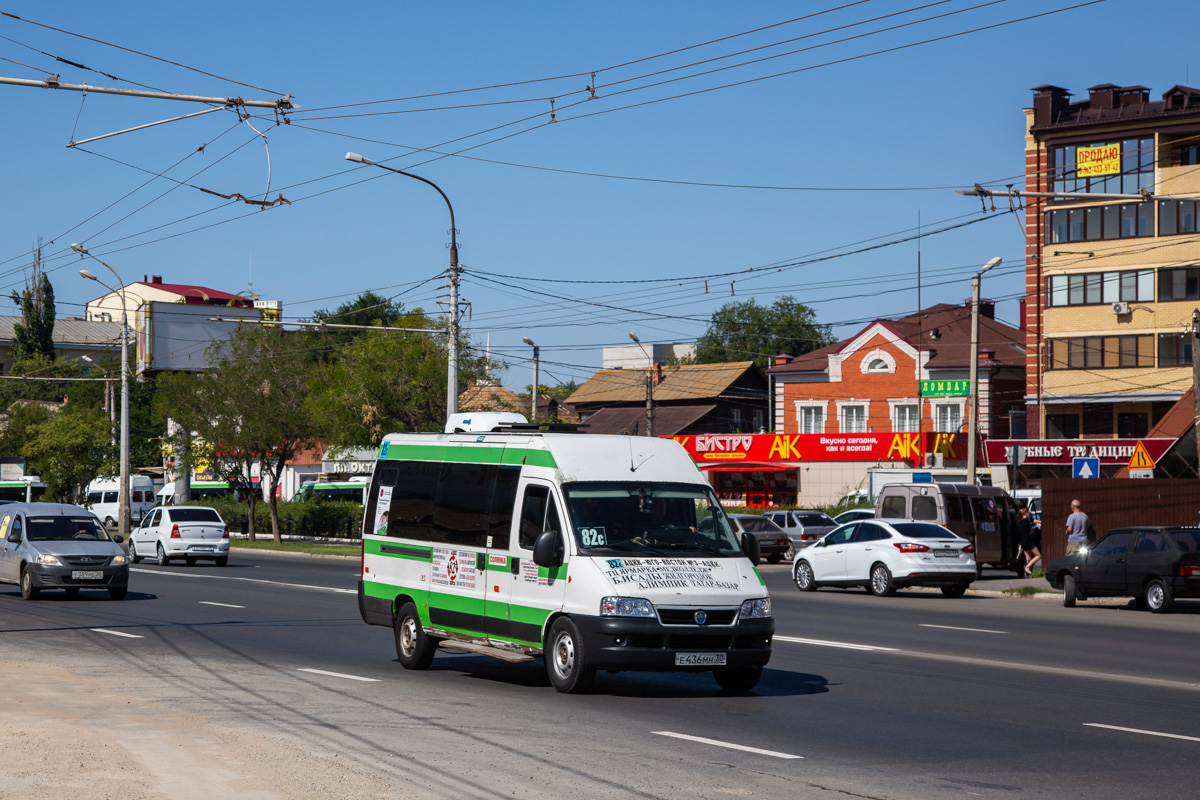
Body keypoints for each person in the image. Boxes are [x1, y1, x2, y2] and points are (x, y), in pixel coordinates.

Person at [1017, 508, 1041, 576]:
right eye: (1029, 513)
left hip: (1022, 542)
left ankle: (1025, 573)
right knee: (1038, 555)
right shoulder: (1026, 520)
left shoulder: (1020, 522)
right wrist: (1041, 522)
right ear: (1026, 513)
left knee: (1028, 559)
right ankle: (1027, 568)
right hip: (1027, 541)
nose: (1029, 514)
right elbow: (1035, 521)